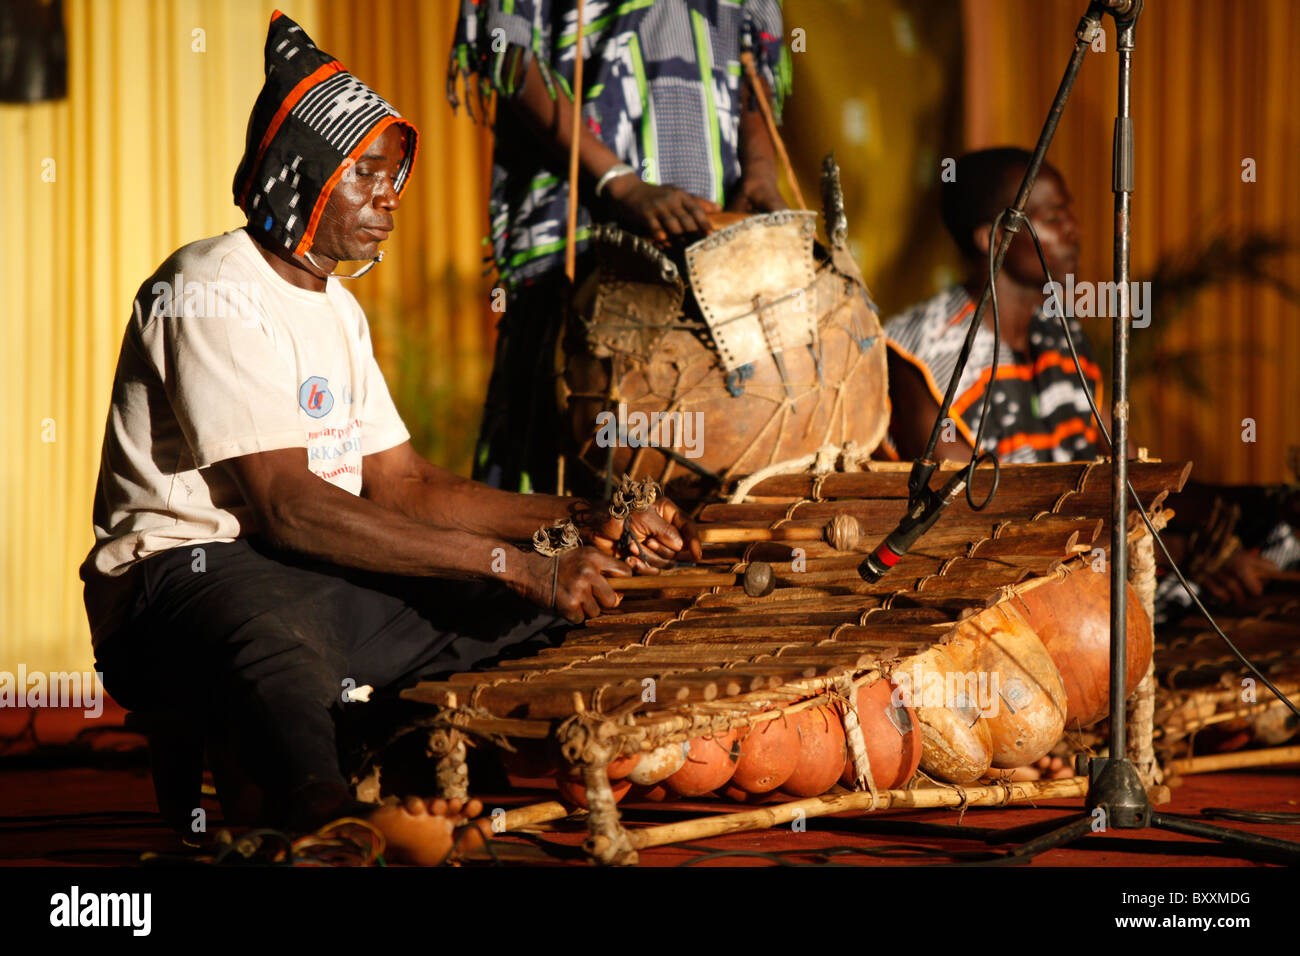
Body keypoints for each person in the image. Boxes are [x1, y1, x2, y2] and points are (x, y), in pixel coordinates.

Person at [80, 11, 698, 864]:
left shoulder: (336, 308)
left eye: (395, 175)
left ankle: (377, 759)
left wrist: (582, 517)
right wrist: (516, 561)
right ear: (301, 173)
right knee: (275, 624)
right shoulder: (208, 288)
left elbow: (407, 488)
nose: (390, 194)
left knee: (509, 605)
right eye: (366, 171)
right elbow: (288, 507)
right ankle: (325, 817)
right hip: (178, 581)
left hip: (304, 573)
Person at [449, 0, 791, 494]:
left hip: (711, 214)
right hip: (579, 215)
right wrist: (618, 181)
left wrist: (760, 165)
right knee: (565, 423)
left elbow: (752, 48)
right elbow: (508, 50)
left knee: (721, 429)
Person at [884, 147, 1103, 465]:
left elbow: (1116, 451)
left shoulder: (1059, 332)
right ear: (996, 238)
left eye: (1068, 215)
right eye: (1054, 218)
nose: (1073, 230)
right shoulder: (919, 350)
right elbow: (950, 485)